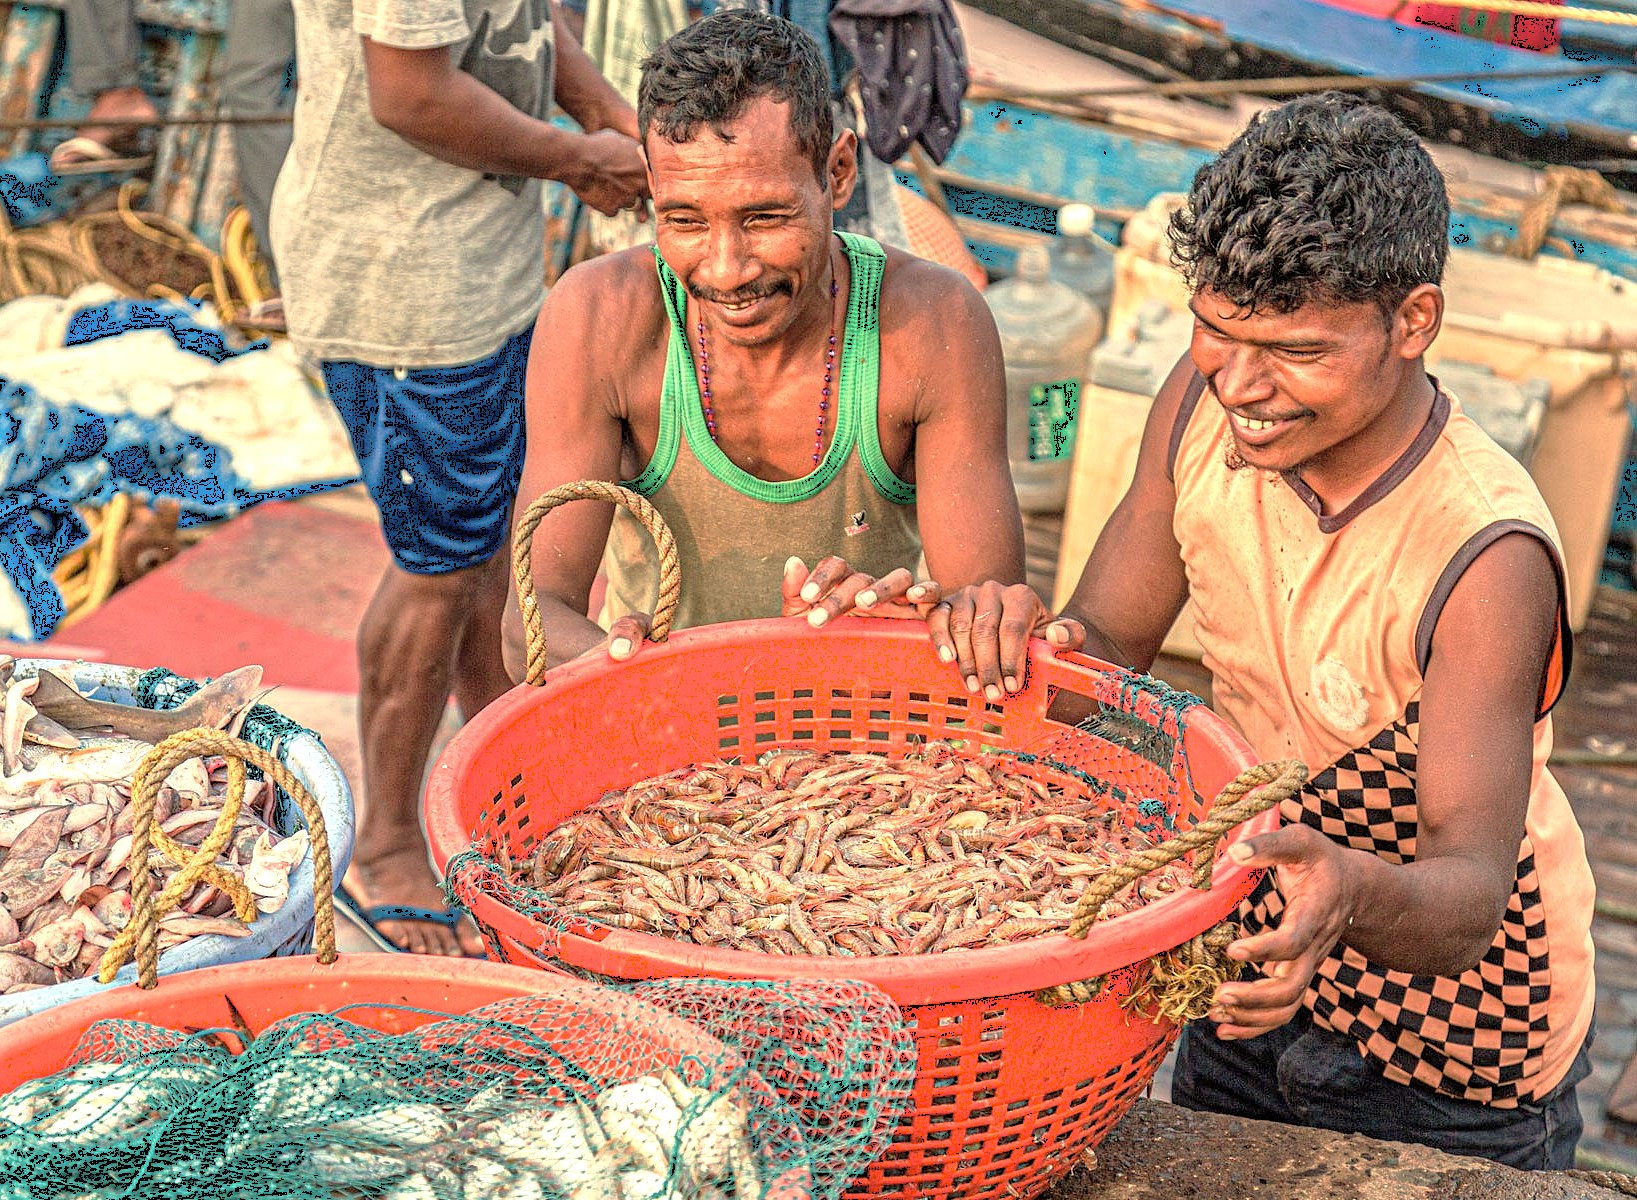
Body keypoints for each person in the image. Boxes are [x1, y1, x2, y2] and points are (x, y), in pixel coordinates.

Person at [927, 93, 1596, 1169]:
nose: (1238, 385)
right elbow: (1103, 641)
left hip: (1448, 1050)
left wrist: (1341, 892)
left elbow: (1467, 894)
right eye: (1216, 330)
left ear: (1411, 322)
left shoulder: (1482, 554)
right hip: (1244, 960)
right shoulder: (1199, 406)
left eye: (1290, 349)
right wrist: (996, 634)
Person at [270, 0, 648, 956]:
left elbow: (526, 21)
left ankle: (495, 777)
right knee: (438, 563)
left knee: (492, 544)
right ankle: (387, 844)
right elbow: (409, 90)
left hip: (486, 271)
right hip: (409, 292)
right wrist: (580, 158)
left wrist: (614, 117)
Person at [503, 9, 1022, 676]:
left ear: (837, 174)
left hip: (870, 732)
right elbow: (529, 622)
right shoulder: (597, 316)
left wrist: (912, 622)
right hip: (656, 723)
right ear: (651, 186)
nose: (726, 269)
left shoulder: (936, 323)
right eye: (684, 219)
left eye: (764, 217)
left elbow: (983, 623)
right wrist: (633, 670)